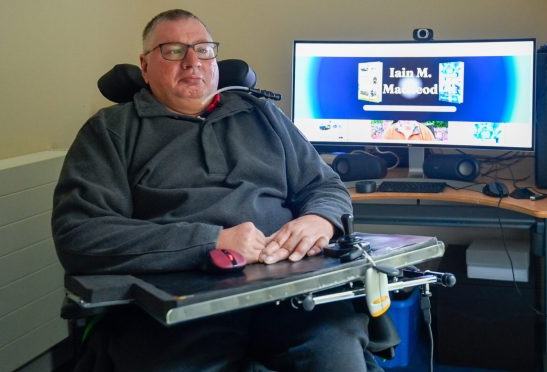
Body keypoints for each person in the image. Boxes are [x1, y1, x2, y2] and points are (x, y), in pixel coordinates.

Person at [52, 8, 382, 372]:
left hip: (288, 293)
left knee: (335, 352)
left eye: (204, 49)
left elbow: (326, 186)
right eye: (174, 50)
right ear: (145, 67)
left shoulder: (263, 115)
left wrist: (320, 219)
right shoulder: (112, 131)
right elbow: (81, 234)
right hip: (177, 305)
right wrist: (213, 241)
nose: (193, 61)